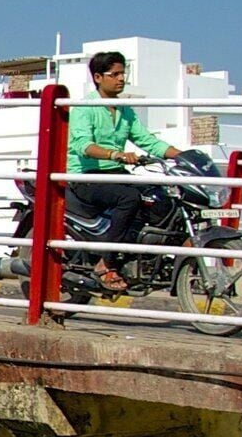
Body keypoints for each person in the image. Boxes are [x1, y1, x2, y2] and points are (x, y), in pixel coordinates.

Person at [61, 50, 172, 293]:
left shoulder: (124, 110)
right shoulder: (85, 107)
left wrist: (182, 155)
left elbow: (147, 140)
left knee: (161, 197)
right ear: (98, 77)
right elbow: (82, 145)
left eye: (124, 73)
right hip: (87, 176)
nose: (121, 79)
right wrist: (116, 154)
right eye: (116, 74)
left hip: (116, 173)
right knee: (129, 198)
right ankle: (106, 261)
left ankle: (134, 253)